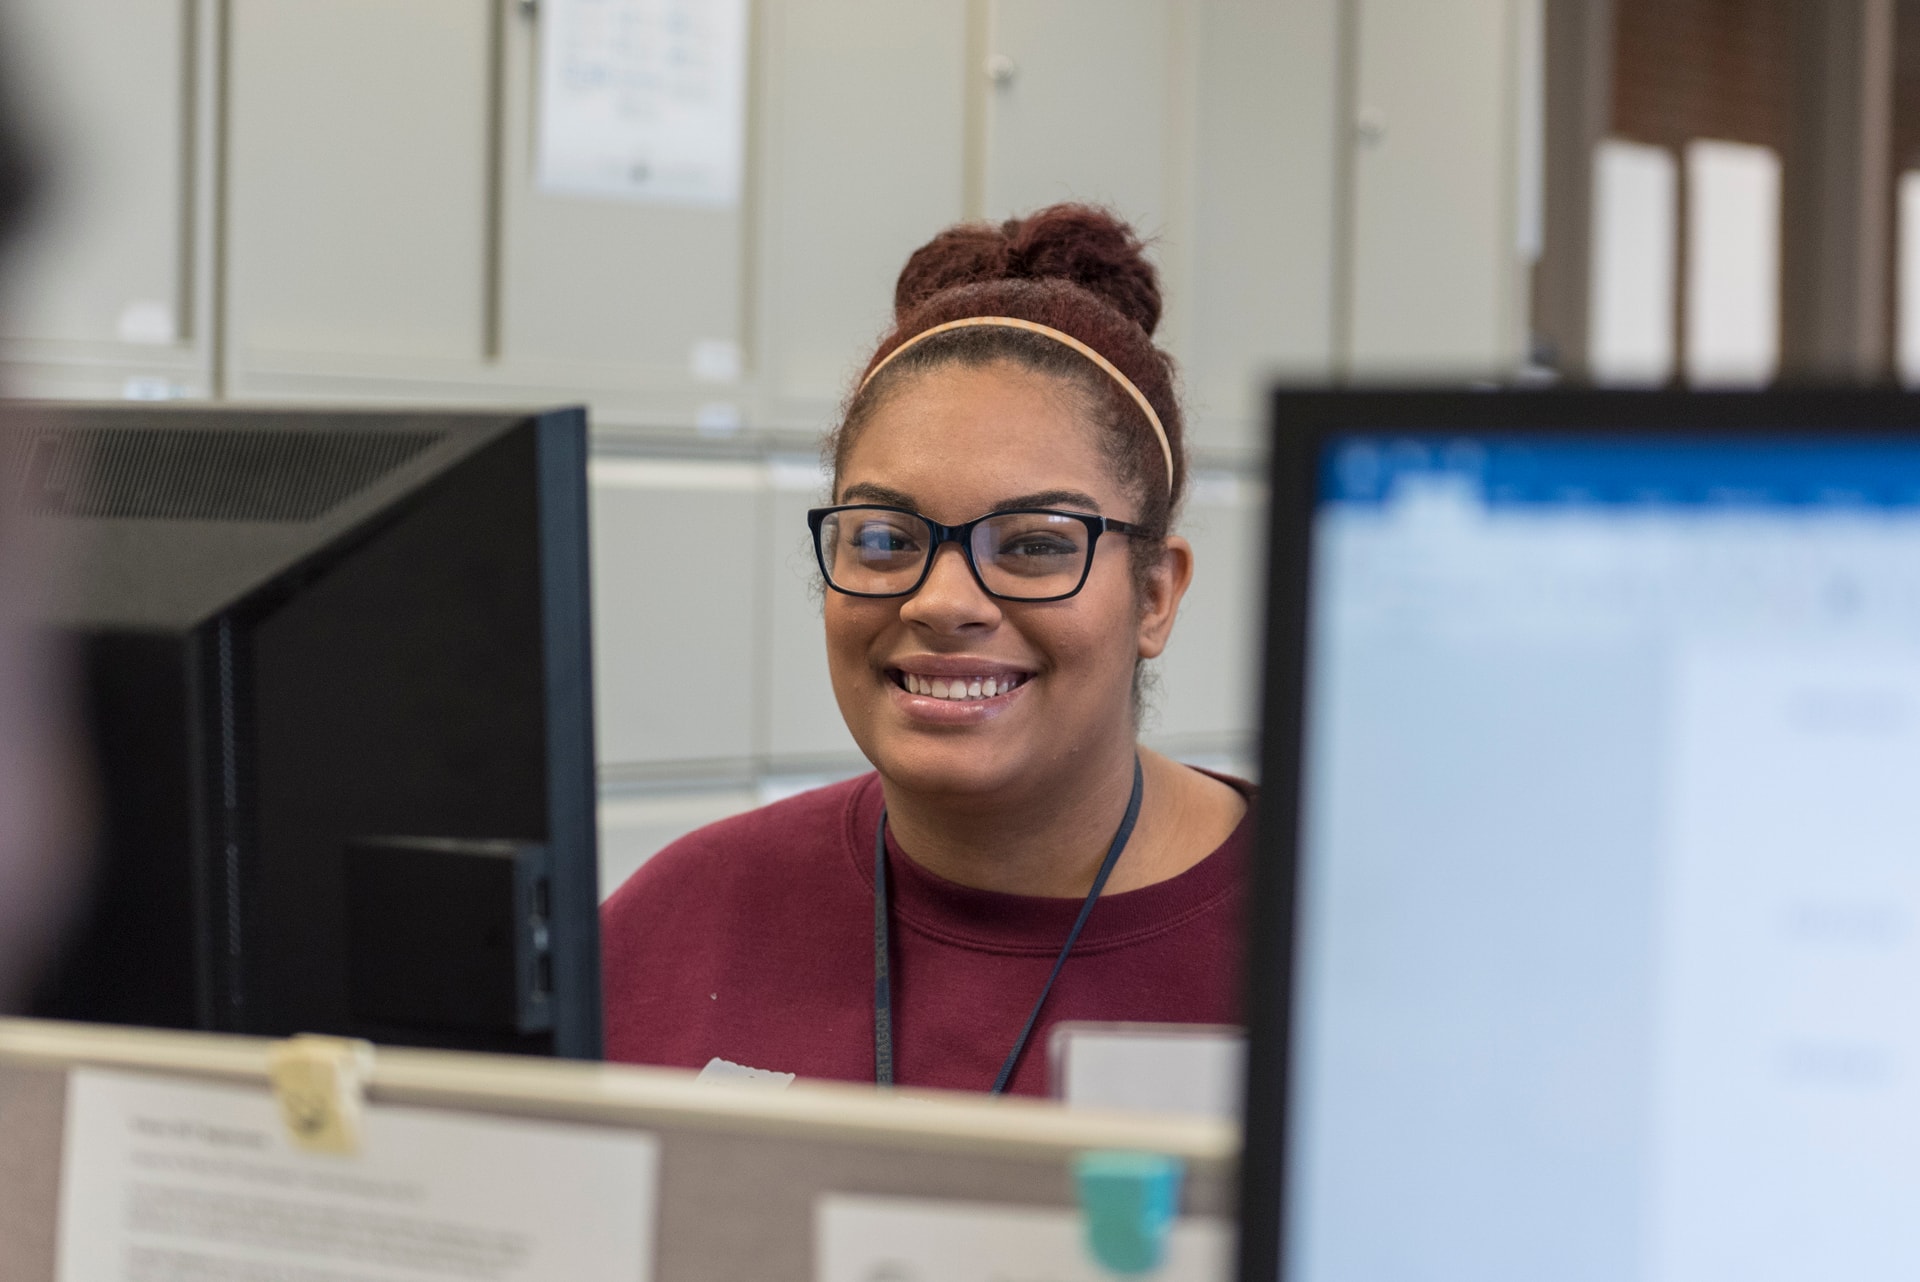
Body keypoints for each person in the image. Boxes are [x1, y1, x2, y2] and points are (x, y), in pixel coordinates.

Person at [601, 205, 1250, 1096]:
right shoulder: (678, 919)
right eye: (885, 538)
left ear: (1153, 594)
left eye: (1033, 544)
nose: (942, 601)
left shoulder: (1333, 946)